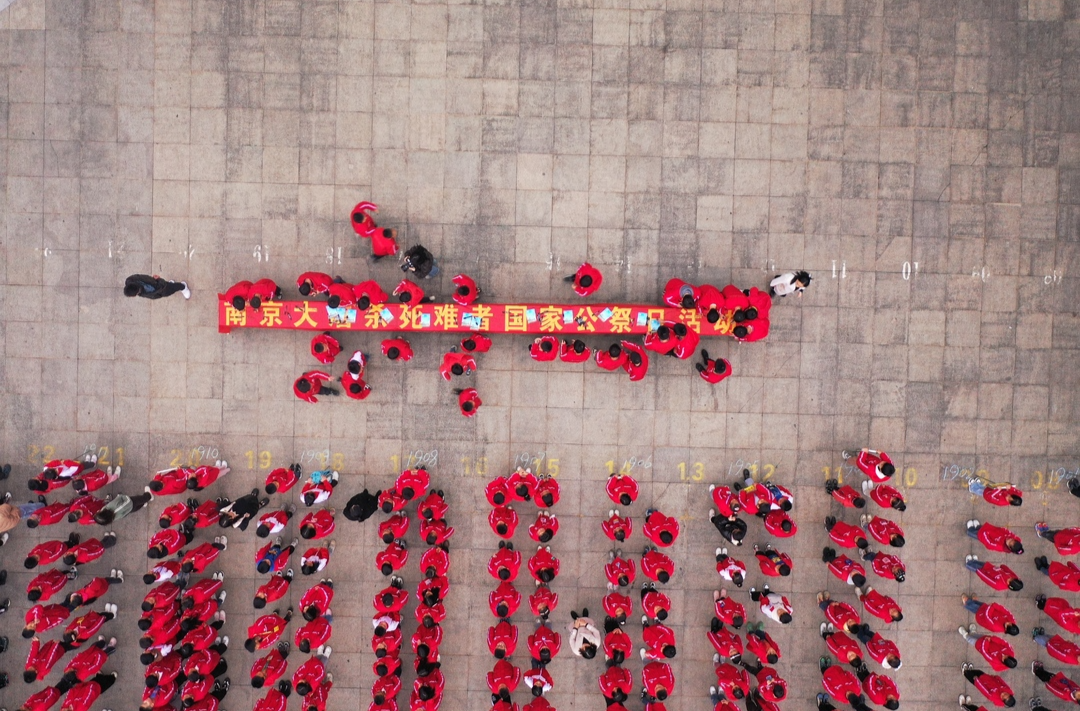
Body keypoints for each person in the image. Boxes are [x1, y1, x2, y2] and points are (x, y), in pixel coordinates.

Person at [124, 274, 190, 300]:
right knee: (168, 285)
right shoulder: (130, 280)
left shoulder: (133, 280)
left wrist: (158, 280)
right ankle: (170, 284)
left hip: (161, 289)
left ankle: (183, 286)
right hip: (158, 290)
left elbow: (146, 278)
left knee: (170, 289)